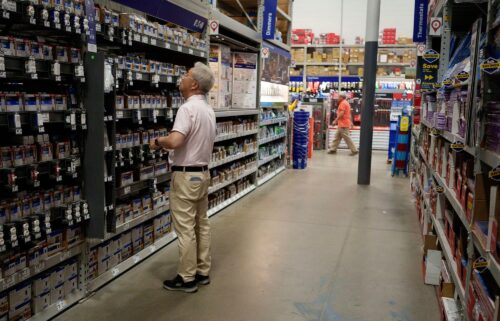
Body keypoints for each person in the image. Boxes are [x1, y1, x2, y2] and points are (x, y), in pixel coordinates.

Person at [150, 62, 216, 293]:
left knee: (186, 228)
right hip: (203, 174)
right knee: (202, 224)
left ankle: (186, 279)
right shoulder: (208, 110)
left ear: (194, 84)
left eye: (186, 75)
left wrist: (158, 142)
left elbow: (176, 141)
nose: (182, 78)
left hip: (186, 176)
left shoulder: (187, 109)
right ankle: (202, 271)